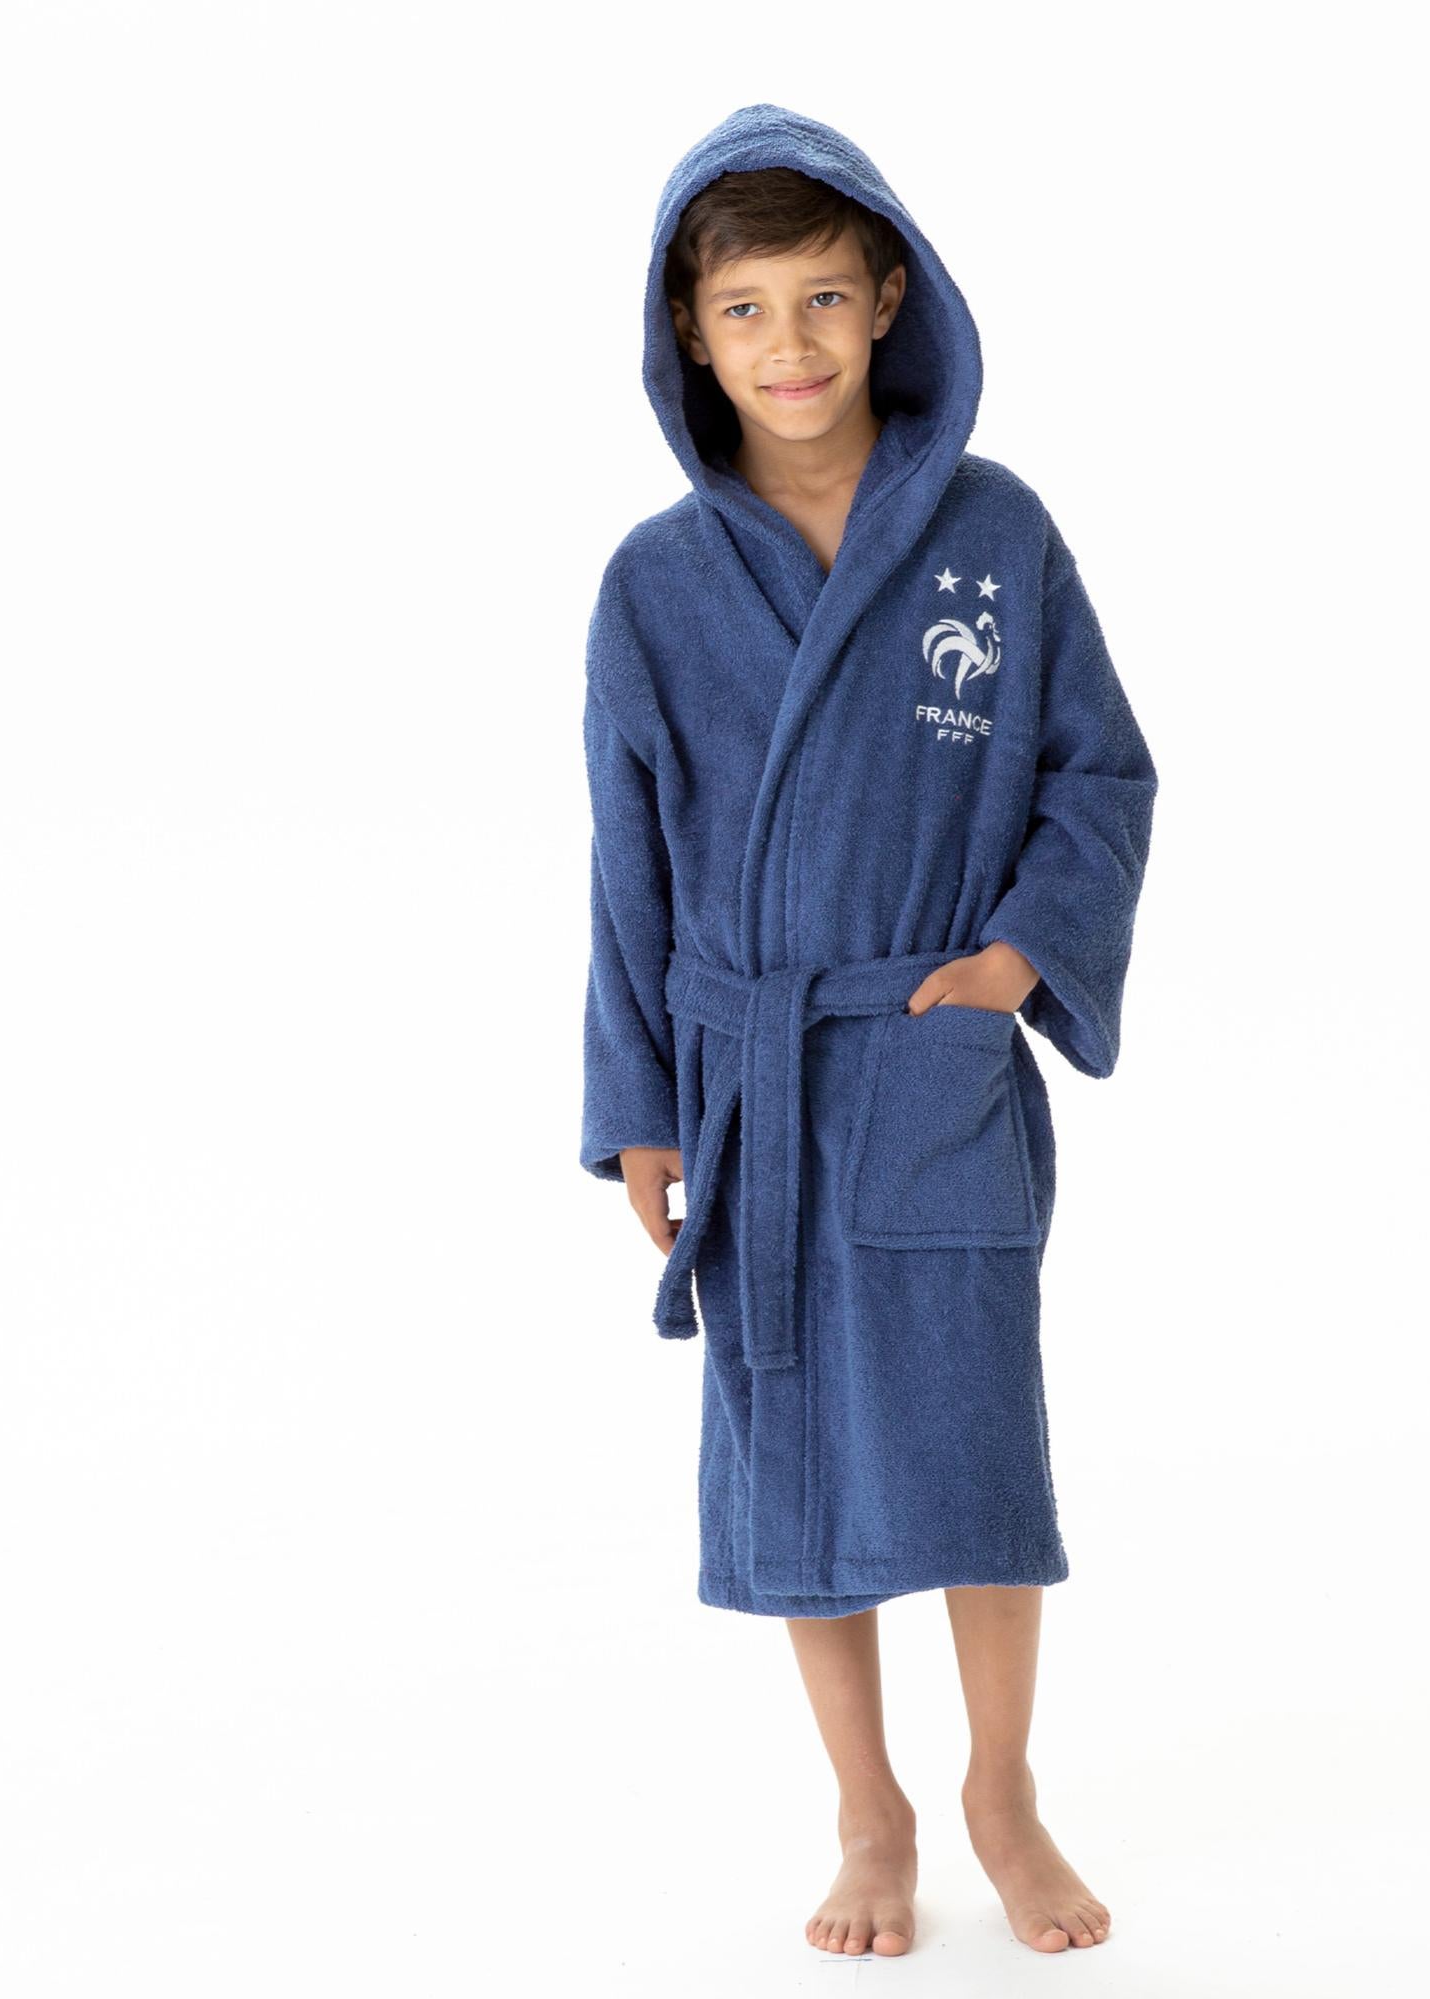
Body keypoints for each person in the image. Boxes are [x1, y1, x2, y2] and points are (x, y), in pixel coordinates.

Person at [577, 102, 1157, 1957]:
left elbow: (1100, 774)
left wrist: (1017, 960)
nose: (794, 344)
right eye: (748, 309)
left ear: (891, 298)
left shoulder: (993, 534)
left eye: (826, 297)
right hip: (755, 1076)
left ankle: (1001, 1789)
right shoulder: (655, 586)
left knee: (975, 1439)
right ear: (690, 333)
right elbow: (626, 867)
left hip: (927, 1063)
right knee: (795, 1450)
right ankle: (868, 1811)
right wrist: (639, 1104)